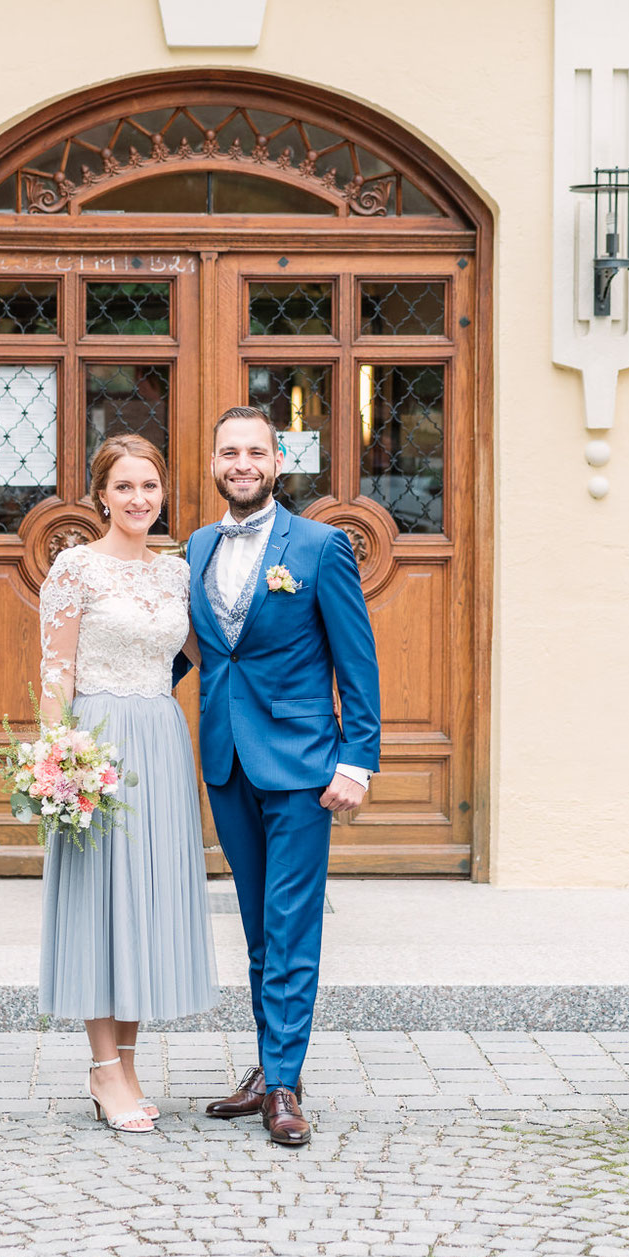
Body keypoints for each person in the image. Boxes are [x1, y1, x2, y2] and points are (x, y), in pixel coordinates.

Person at [178, 406, 381, 1148]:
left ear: (278, 459)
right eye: (228, 450)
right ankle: (268, 1068)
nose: (241, 462)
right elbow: (189, 647)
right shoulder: (198, 545)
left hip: (301, 765)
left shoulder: (322, 547)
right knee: (259, 923)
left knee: (291, 924)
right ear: (213, 463)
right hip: (227, 759)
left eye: (255, 451)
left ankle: (287, 1081)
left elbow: (357, 660)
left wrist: (357, 759)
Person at [35, 434, 219, 1135]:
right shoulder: (74, 568)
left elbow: (207, 654)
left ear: (162, 492)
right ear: (100, 496)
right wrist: (61, 763)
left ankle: (130, 1062)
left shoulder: (175, 576)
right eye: (124, 488)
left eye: (150, 486)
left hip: (162, 743)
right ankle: (103, 1065)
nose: (139, 499)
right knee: (99, 902)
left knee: (143, 900)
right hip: (99, 740)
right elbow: (57, 673)